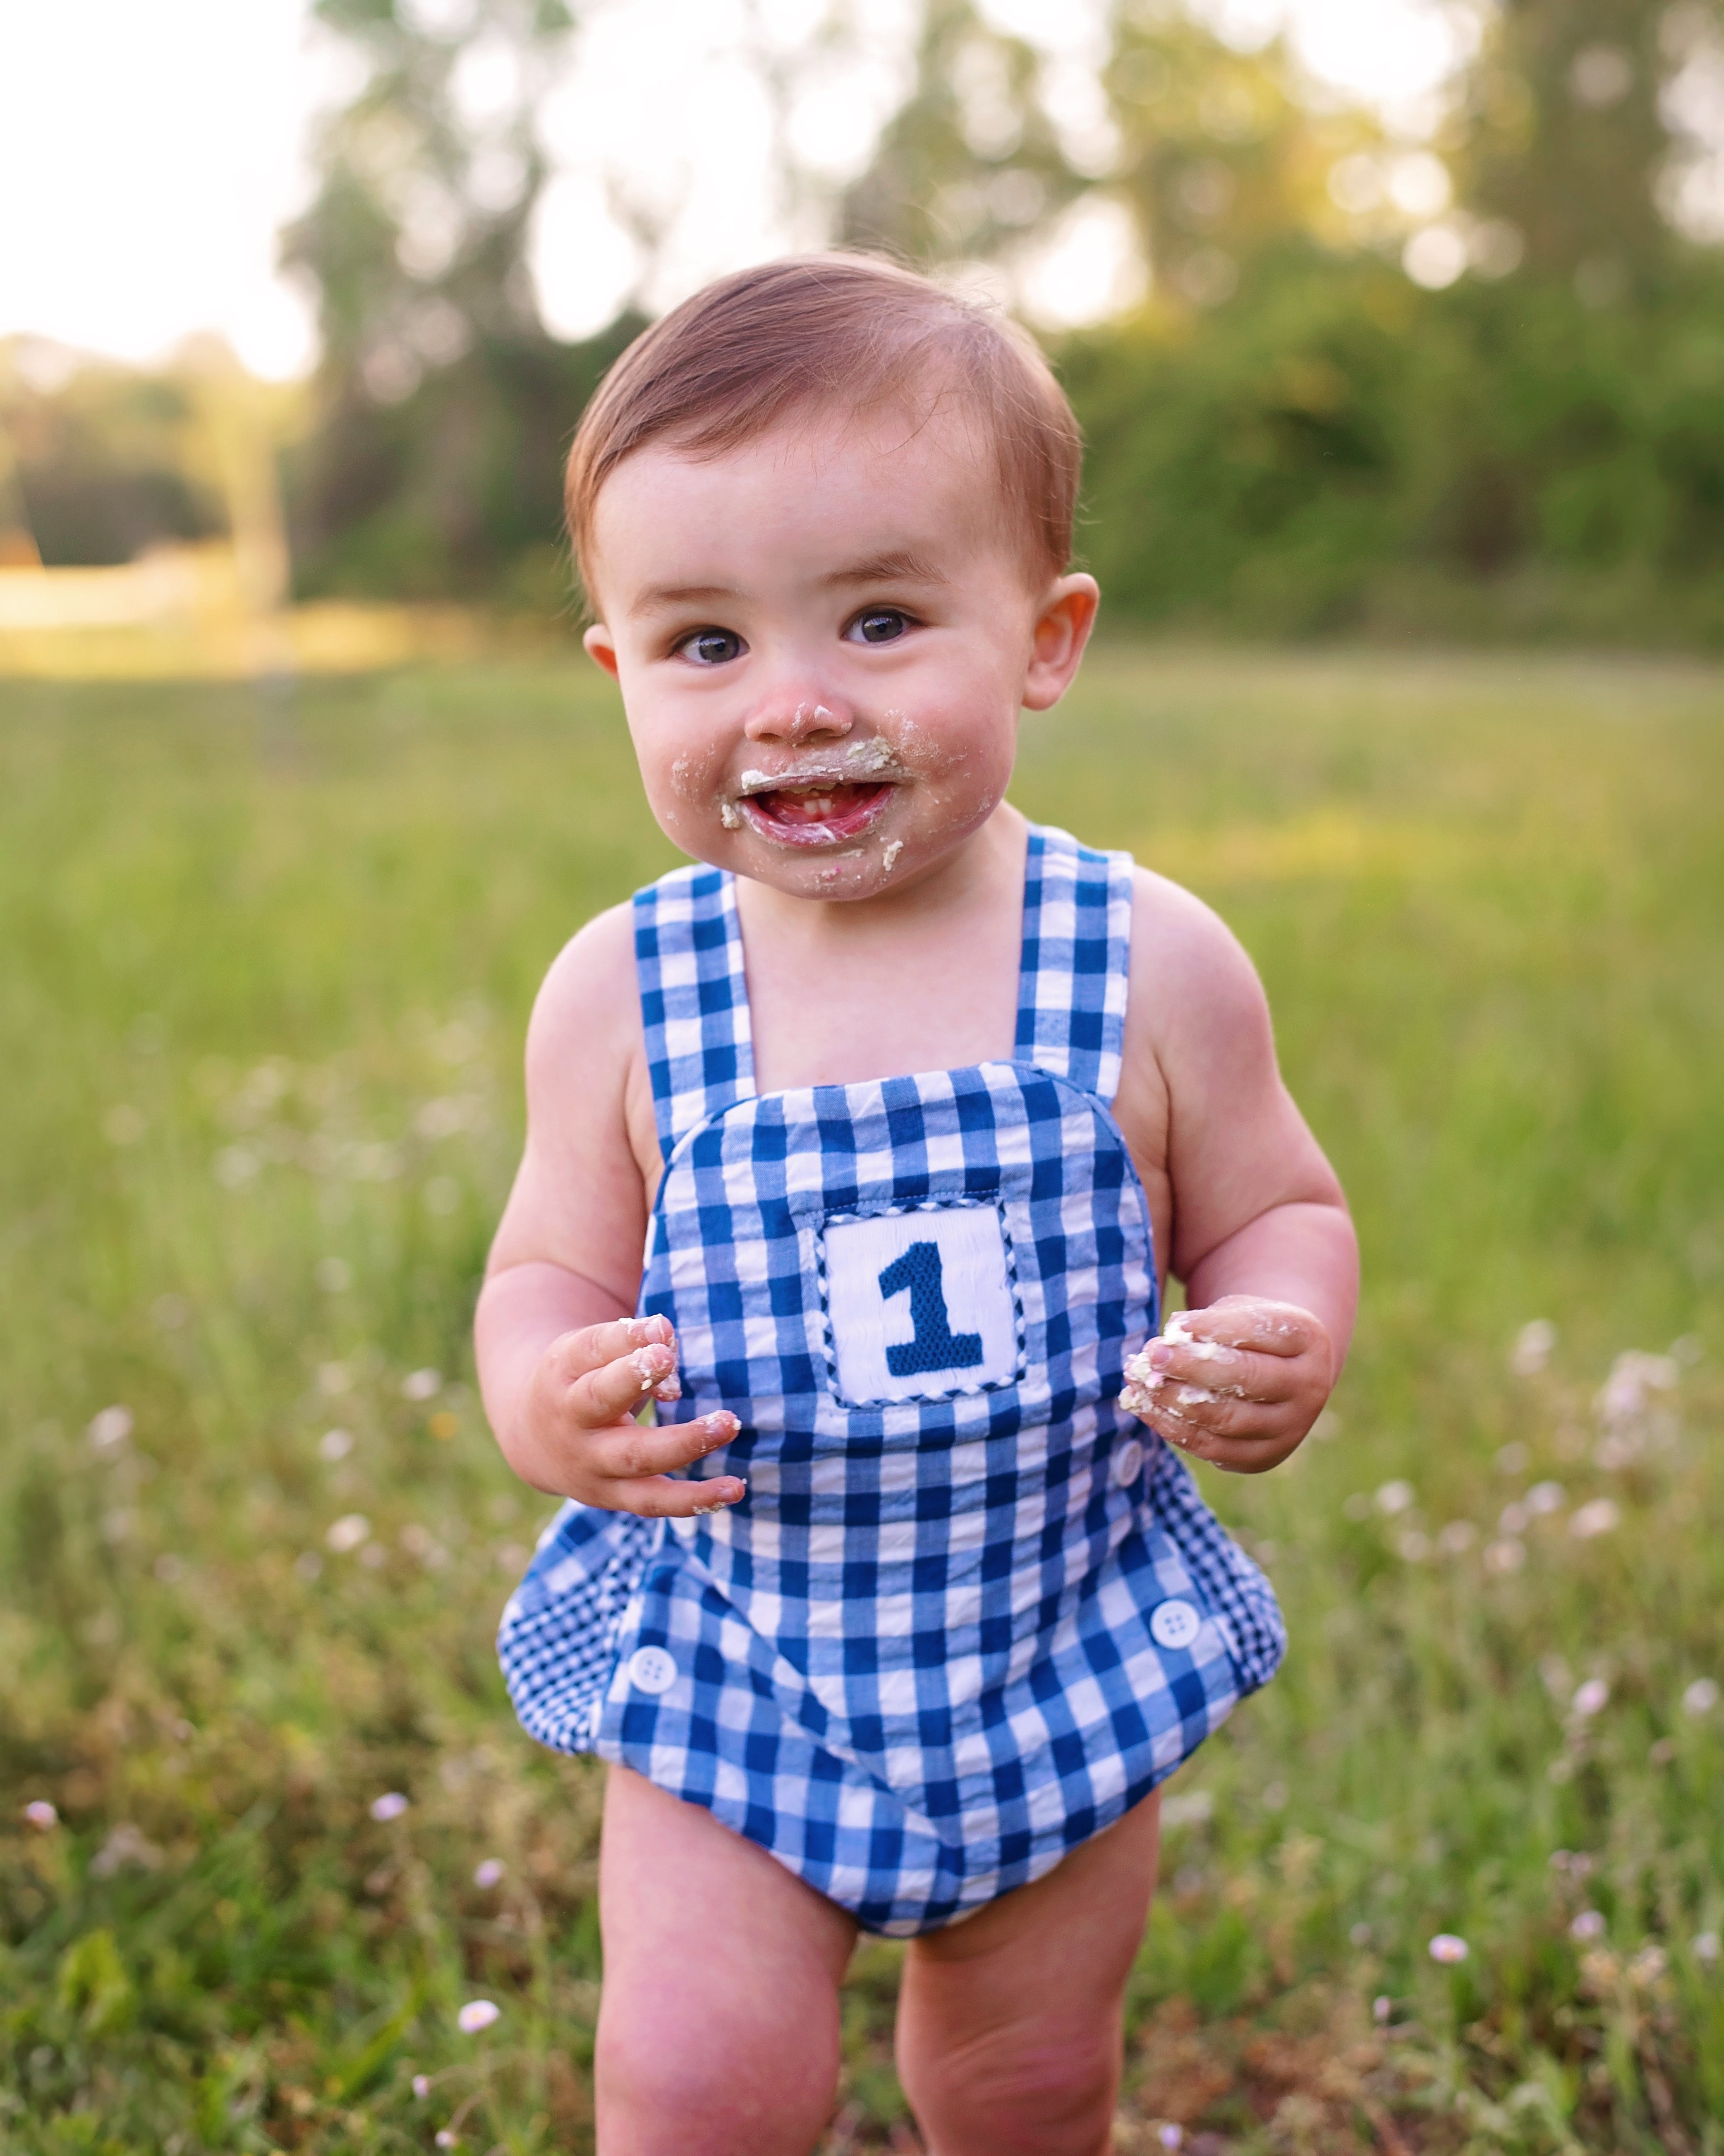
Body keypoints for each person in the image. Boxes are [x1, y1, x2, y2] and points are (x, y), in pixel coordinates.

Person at [476, 254, 1358, 2156]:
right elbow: (546, 1262)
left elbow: (1276, 1202)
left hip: (1056, 1638)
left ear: (1045, 637)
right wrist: (545, 1395)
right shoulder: (627, 992)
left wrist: (1282, 1325)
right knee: (701, 2085)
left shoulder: (1145, 958)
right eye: (705, 645)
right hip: (741, 1659)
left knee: (1025, 2082)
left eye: (879, 620)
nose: (793, 705)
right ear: (619, 671)